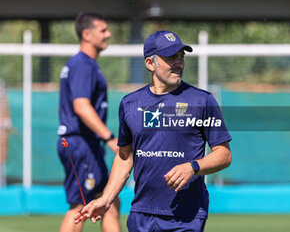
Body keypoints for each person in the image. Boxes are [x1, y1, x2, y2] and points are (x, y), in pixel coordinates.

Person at [74, 30, 232, 232]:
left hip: (187, 216)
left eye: (181, 57)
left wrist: (193, 167)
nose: (179, 63)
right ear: (150, 63)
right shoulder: (130, 104)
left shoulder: (203, 101)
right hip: (142, 215)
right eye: (171, 58)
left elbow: (224, 155)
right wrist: (106, 198)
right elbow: (125, 157)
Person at [57, 12, 121, 232]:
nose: (108, 34)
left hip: (87, 144)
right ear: (86, 34)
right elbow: (81, 107)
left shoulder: (85, 64)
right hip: (80, 143)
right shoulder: (83, 64)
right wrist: (110, 138)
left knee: (109, 202)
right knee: (79, 207)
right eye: (103, 30)